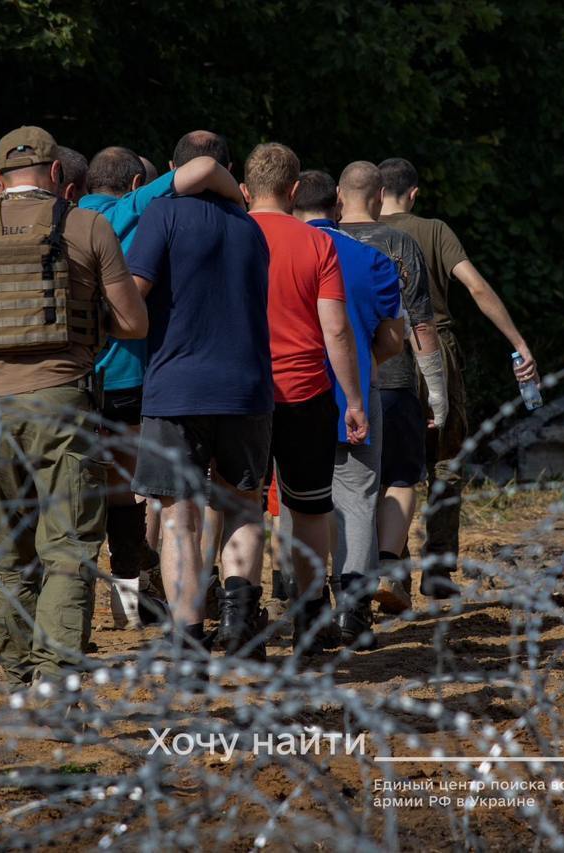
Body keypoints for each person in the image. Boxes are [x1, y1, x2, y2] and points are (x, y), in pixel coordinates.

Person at [0, 126, 148, 687]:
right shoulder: (86, 225)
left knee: (9, 537)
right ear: (56, 175)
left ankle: (14, 662)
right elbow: (134, 323)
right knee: (69, 543)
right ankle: (55, 673)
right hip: (63, 399)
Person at [80, 141, 244, 628]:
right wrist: (240, 200)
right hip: (132, 376)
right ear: (135, 184)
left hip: (78, 376)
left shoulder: (65, 219)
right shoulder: (135, 206)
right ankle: (131, 595)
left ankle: (81, 611)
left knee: (82, 489)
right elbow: (200, 170)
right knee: (136, 492)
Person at [124, 136, 274, 662]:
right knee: (241, 508)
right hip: (247, 386)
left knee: (179, 519)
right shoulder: (251, 228)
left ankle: (188, 643)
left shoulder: (163, 215)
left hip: (176, 387)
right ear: (233, 172)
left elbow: (135, 288)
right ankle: (237, 626)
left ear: (171, 168)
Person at [378, 157, 537, 597]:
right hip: (437, 346)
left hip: (379, 348)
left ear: (374, 192)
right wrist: (518, 343)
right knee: (445, 458)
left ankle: (387, 568)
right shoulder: (434, 230)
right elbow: (477, 287)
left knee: (385, 459)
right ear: (414, 194)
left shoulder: (360, 229)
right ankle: (439, 568)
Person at [242, 143, 367, 652]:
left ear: (246, 189)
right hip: (305, 391)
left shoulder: (233, 234)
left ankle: (241, 612)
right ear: (295, 191)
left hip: (242, 393)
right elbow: (335, 330)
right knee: (311, 508)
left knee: (240, 507)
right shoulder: (318, 245)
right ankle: (312, 618)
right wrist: (354, 398)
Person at [292, 169, 405, 648]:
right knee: (357, 501)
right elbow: (394, 339)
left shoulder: (275, 251)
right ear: (338, 204)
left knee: (298, 503)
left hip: (290, 393)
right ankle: (353, 613)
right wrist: (361, 368)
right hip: (352, 395)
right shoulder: (373, 260)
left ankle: (305, 603)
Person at [337, 161, 446, 614]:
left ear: (339, 197)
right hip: (395, 376)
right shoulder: (399, 243)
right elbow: (421, 322)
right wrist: (437, 392)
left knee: (344, 485)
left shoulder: (324, 239)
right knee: (402, 477)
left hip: (336, 381)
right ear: (381, 196)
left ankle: (333, 578)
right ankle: (385, 565)